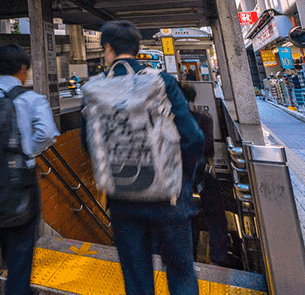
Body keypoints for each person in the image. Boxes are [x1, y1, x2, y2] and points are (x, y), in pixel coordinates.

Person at [86, 21, 204, 295]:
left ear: (108, 49)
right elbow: (194, 137)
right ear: (137, 50)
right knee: (181, 272)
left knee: (137, 279)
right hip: (168, 197)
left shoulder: (95, 89)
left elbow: (88, 141)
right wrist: (177, 174)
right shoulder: (162, 82)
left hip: (122, 198)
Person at [0, 43, 58, 295]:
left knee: (4, 241)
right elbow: (48, 134)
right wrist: (25, 151)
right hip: (21, 186)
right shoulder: (31, 99)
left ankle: (13, 286)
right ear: (23, 70)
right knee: (21, 252)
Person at [180, 81, 230, 267]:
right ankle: (218, 258)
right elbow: (209, 149)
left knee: (186, 218)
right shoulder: (203, 119)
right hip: (203, 175)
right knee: (216, 216)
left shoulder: (170, 121)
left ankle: (188, 258)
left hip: (180, 178)